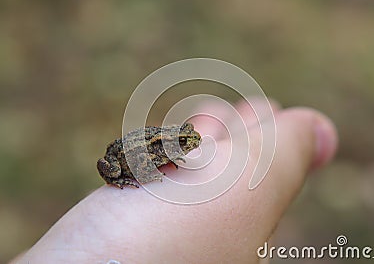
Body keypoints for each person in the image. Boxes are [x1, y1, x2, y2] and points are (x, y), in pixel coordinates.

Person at [11, 98, 338, 264]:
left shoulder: (168, 150)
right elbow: (132, 160)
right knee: (114, 164)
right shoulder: (156, 153)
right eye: (185, 141)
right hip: (120, 155)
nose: (191, 144)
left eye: (189, 139)